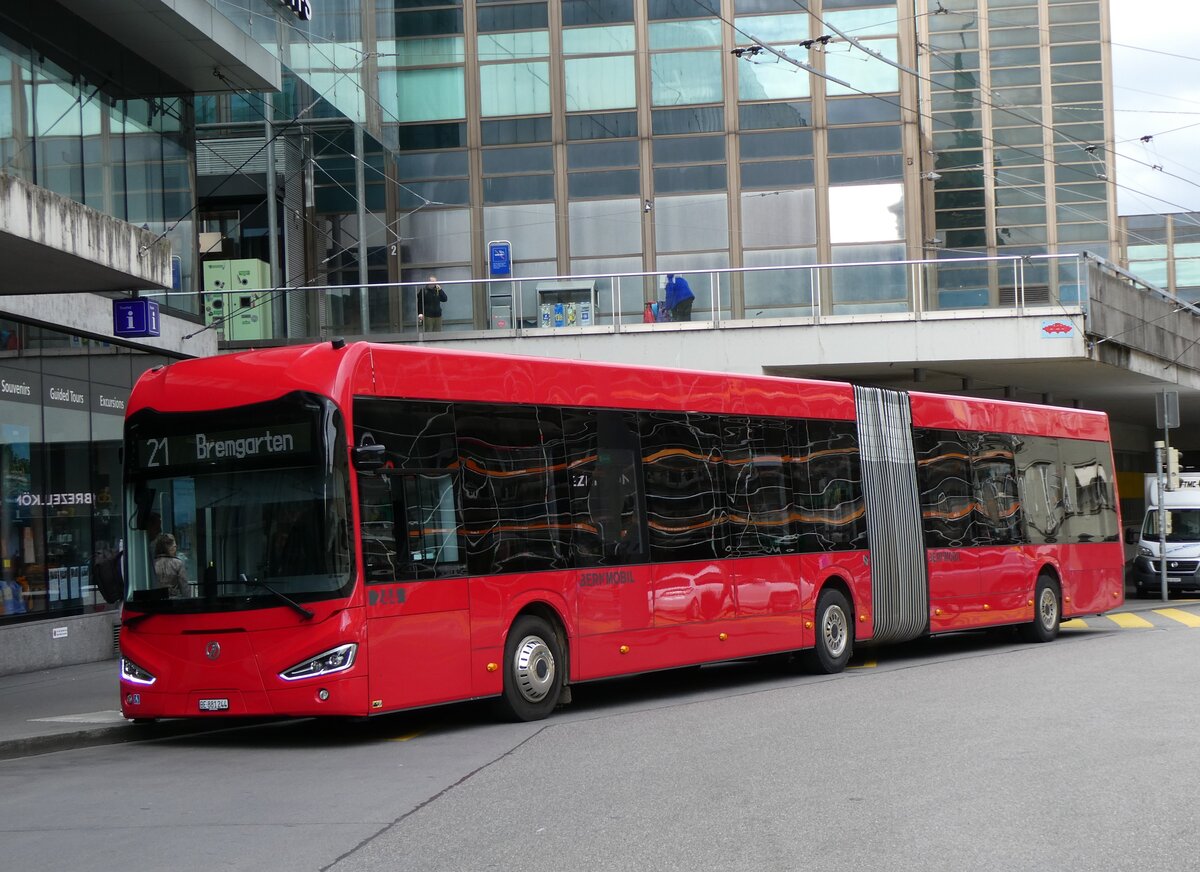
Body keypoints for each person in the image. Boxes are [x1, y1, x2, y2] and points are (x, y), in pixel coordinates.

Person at [153, 533, 188, 598]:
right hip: (173, 603)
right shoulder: (178, 563)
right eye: (175, 546)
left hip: (154, 601)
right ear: (170, 548)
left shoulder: (151, 563)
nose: (175, 549)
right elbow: (184, 588)